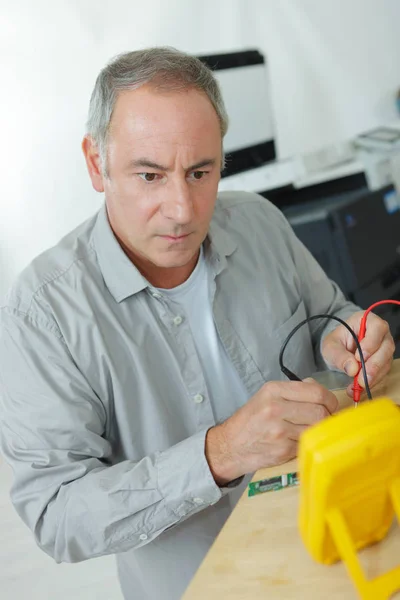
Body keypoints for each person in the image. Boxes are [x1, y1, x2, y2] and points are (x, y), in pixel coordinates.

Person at [0, 47, 395, 600]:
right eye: (150, 175)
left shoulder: (258, 221)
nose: (183, 208)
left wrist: (344, 338)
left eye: (200, 171)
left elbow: (326, 315)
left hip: (342, 550)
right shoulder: (44, 313)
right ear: (96, 164)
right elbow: (58, 516)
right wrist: (220, 453)